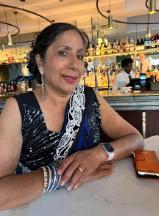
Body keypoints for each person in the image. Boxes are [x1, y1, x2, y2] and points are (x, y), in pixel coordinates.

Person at [0, 23, 143, 210]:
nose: (75, 64)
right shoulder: (19, 108)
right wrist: (63, 175)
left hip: (94, 204)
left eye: (80, 55)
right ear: (40, 61)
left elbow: (136, 139)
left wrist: (98, 154)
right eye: (63, 53)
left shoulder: (90, 98)